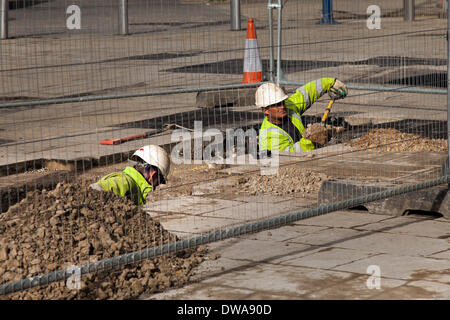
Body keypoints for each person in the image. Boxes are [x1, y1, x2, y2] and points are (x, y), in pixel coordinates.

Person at [256, 78, 348, 152]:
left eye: (282, 102)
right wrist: (312, 139)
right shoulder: (269, 136)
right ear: (265, 110)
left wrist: (330, 83)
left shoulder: (289, 107)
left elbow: (307, 92)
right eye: (277, 105)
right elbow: (290, 156)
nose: (282, 107)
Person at [90, 144, 170, 205]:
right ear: (153, 174)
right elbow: (93, 190)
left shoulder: (135, 187)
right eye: (160, 180)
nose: (156, 186)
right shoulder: (124, 182)